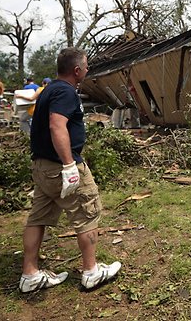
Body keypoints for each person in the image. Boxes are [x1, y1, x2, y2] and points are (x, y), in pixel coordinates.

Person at [19, 48, 121, 293]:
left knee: (38, 217)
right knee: (87, 211)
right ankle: (91, 272)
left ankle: (30, 274)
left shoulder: (49, 89)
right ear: (77, 70)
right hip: (60, 165)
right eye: (85, 67)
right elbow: (57, 126)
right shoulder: (65, 92)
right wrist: (68, 165)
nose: (87, 70)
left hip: (42, 167)